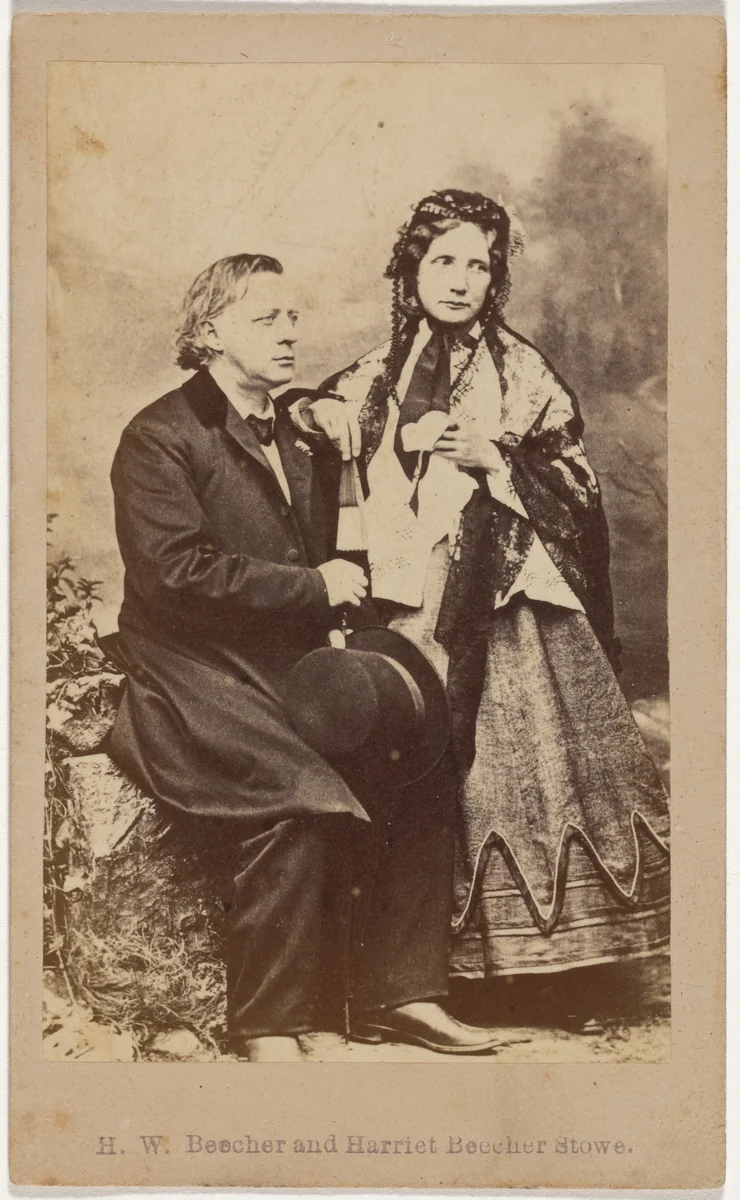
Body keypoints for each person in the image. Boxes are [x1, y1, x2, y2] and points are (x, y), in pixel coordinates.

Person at [106, 251, 502, 1061]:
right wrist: (312, 587)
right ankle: (269, 1025)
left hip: (287, 660)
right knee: (300, 795)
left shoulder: (303, 427)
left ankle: (401, 996)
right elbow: (173, 575)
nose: (289, 334)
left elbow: (356, 520)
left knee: (419, 757)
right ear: (210, 332)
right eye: (266, 319)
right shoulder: (158, 436)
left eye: (293, 317)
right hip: (191, 668)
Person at [294, 190, 670, 1021]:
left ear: (497, 279)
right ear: (411, 269)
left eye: (480, 265)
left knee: (525, 770)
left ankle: (558, 975)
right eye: (445, 262)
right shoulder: (375, 371)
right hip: (407, 607)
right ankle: (430, 978)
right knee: (422, 765)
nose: (462, 281)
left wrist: (494, 455)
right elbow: (310, 430)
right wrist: (320, 417)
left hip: (506, 604)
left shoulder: (520, 370)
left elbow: (575, 484)